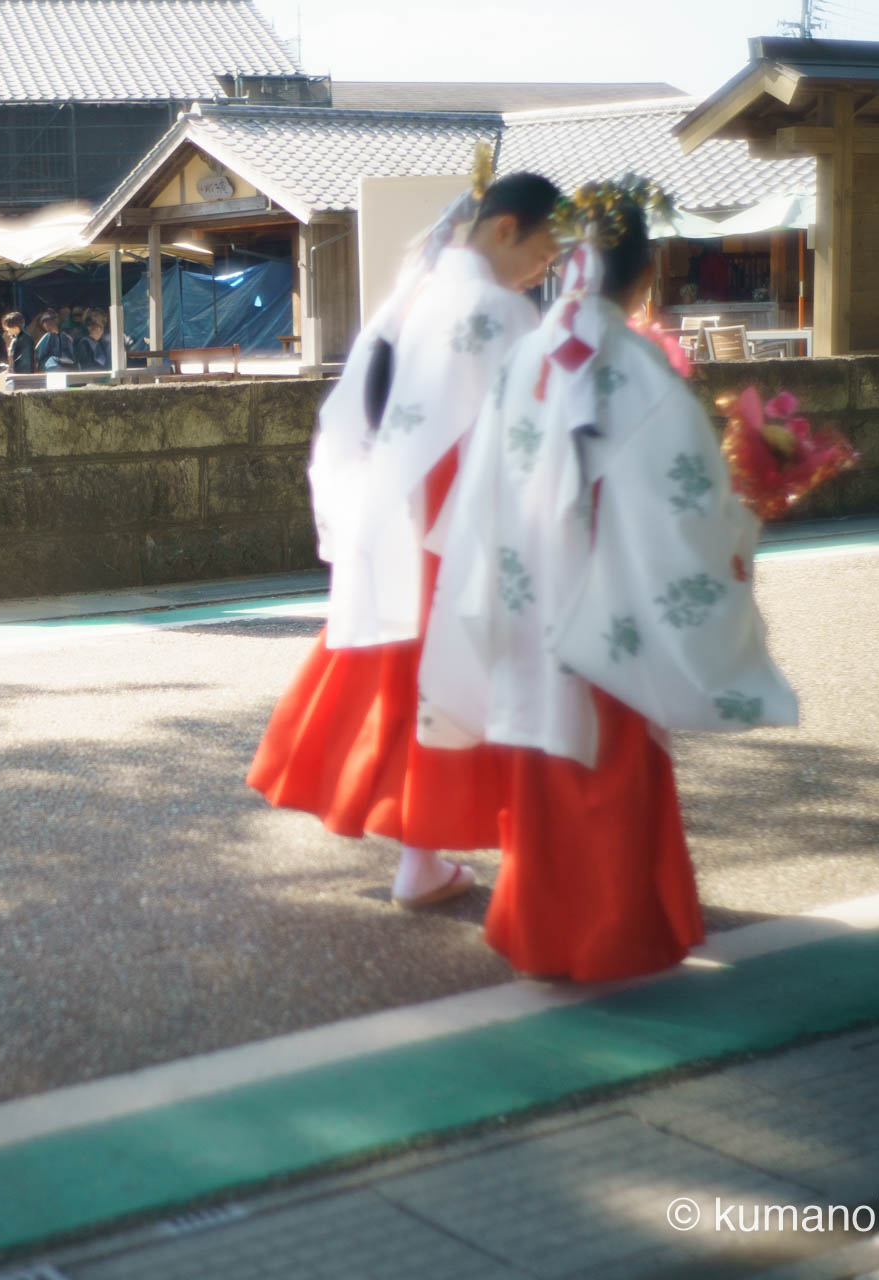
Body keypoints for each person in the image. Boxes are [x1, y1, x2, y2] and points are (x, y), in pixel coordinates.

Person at [416, 183, 796, 981]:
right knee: (611, 759)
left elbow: (479, 484)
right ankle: (612, 935)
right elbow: (686, 505)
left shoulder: (532, 354)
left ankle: (537, 929)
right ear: (644, 274)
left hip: (526, 590)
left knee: (542, 752)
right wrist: (752, 497)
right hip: (606, 596)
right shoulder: (638, 370)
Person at [249, 172, 562, 910]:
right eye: (547, 243)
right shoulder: (499, 310)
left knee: (415, 686)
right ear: (507, 227)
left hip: (398, 520)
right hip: (464, 524)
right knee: (493, 683)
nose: (550, 261)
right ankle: (516, 855)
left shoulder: (417, 294)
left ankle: (421, 860)